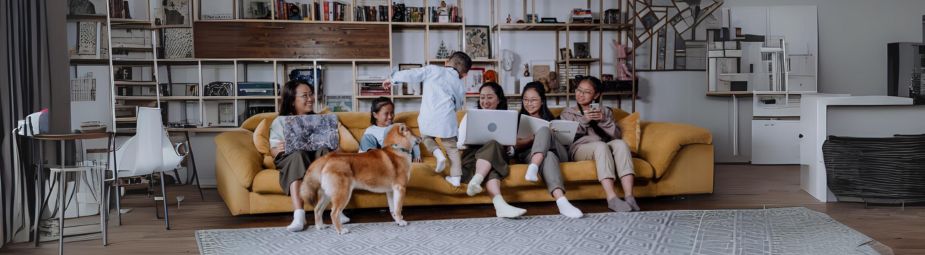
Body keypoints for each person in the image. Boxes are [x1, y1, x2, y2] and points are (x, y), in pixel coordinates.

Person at [383, 51, 472, 187]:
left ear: (446, 62)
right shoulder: (459, 84)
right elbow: (459, 105)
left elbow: (412, 74)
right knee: (452, 149)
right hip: (447, 118)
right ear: (464, 74)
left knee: (426, 137)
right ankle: (456, 178)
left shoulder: (433, 70)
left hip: (428, 117)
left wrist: (393, 79)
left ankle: (438, 155)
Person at [270, 80, 346, 232]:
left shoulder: (322, 120)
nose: (310, 99)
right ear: (292, 100)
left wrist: (334, 146)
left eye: (311, 94)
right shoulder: (280, 121)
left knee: (326, 153)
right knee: (298, 155)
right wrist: (279, 148)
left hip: (316, 157)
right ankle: (299, 215)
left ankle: (337, 210)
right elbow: (273, 151)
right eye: (305, 96)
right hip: (293, 158)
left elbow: (336, 148)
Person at [558, 76, 640, 212]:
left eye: (587, 92)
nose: (581, 94)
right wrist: (584, 120)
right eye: (579, 90)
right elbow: (566, 138)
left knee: (620, 144)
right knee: (600, 146)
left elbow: (616, 135)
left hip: (603, 146)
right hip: (579, 149)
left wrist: (603, 120)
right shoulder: (567, 113)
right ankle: (611, 198)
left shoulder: (605, 111)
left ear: (596, 95)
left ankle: (629, 196)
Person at [514, 82, 583, 218]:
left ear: (542, 101)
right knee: (548, 155)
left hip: (560, 153)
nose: (529, 103)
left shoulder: (552, 119)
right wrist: (532, 138)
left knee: (545, 130)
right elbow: (514, 146)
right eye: (526, 100)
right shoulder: (517, 119)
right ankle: (562, 201)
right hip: (529, 154)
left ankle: (534, 167)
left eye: (533, 100)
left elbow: (568, 142)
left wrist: (554, 135)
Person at [459, 82, 526, 218]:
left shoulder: (507, 118)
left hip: (496, 158)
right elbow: (459, 145)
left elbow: (511, 151)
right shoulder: (470, 116)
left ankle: (498, 204)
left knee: (494, 150)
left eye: (489, 97)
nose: (485, 101)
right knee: (493, 150)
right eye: (482, 97)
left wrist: (509, 148)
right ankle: (480, 183)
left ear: (499, 99)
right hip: (472, 160)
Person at [359, 97, 422, 162]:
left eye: (392, 113)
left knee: (396, 129)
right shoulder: (370, 131)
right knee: (366, 137)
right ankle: (375, 161)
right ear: (375, 115)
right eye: (386, 114)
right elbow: (364, 148)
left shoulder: (397, 127)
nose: (390, 117)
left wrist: (417, 155)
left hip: (397, 155)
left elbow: (413, 140)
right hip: (380, 156)